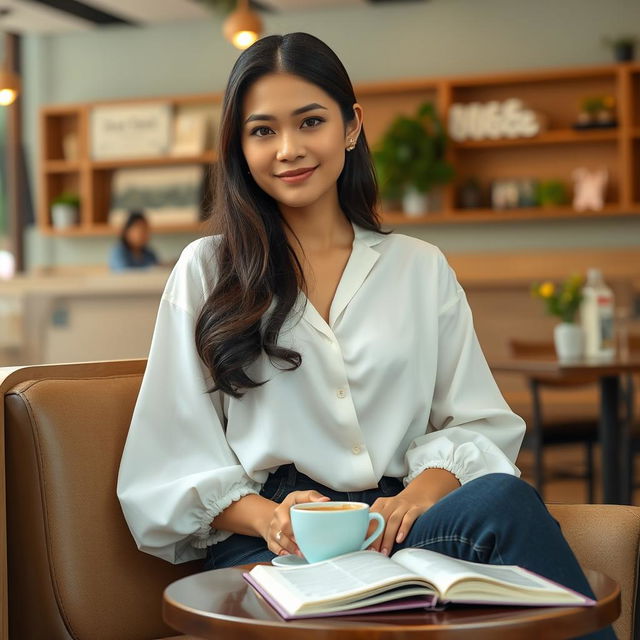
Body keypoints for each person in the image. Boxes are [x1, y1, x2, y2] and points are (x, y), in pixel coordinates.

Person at [117, 33, 612, 639]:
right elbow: (168, 456)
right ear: (238, 147)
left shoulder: (419, 267)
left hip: (401, 523)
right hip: (275, 542)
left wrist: (427, 490)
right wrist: (272, 518)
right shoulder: (206, 270)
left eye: (311, 122)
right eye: (263, 130)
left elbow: (480, 421)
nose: (289, 149)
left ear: (351, 127)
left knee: (507, 505)